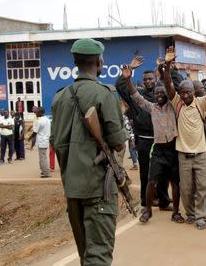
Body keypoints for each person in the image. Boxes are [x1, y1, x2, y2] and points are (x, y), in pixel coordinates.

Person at [50, 38, 126, 265]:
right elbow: (119, 143)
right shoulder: (105, 93)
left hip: (72, 189)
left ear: (75, 62)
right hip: (98, 189)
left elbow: (56, 142)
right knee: (99, 257)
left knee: (86, 256)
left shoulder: (59, 97)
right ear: (99, 61)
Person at [163, 46, 206, 230]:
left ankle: (201, 216)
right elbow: (168, 85)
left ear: (193, 91)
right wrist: (167, 65)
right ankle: (190, 213)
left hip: (201, 153)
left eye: (188, 92)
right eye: (183, 92)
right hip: (183, 154)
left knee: (204, 186)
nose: (186, 95)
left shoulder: (200, 102)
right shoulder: (177, 103)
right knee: (186, 189)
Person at [116, 67, 171, 211]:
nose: (148, 81)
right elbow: (120, 87)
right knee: (145, 172)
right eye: (145, 79)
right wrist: (129, 71)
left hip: (161, 140)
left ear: (155, 79)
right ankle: (145, 200)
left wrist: (167, 68)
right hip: (144, 140)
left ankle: (163, 200)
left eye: (151, 78)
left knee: (163, 171)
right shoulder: (137, 95)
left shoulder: (162, 95)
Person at [32, 107, 51, 178]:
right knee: (43, 157)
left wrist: (29, 138)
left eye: (37, 112)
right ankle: (43, 171)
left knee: (43, 158)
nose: (36, 113)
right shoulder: (47, 119)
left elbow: (35, 132)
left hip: (42, 141)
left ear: (41, 113)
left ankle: (46, 173)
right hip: (45, 140)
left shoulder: (39, 121)